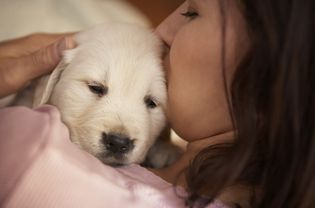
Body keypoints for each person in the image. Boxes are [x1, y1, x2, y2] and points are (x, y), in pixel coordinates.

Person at [0, 0, 314, 207]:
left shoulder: (34, 156)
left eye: (192, 12)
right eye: (96, 87)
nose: (161, 30)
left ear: (267, 70)